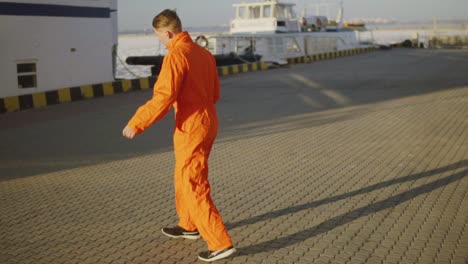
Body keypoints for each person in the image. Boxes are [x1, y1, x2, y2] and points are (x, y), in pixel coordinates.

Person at [122, 9, 236, 262]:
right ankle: (188, 224)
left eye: (160, 37)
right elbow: (215, 92)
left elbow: (163, 97)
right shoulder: (204, 53)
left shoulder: (176, 55)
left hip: (192, 124)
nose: (161, 42)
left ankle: (220, 242)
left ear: (168, 33)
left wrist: (137, 123)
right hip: (208, 119)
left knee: (192, 182)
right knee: (184, 175)